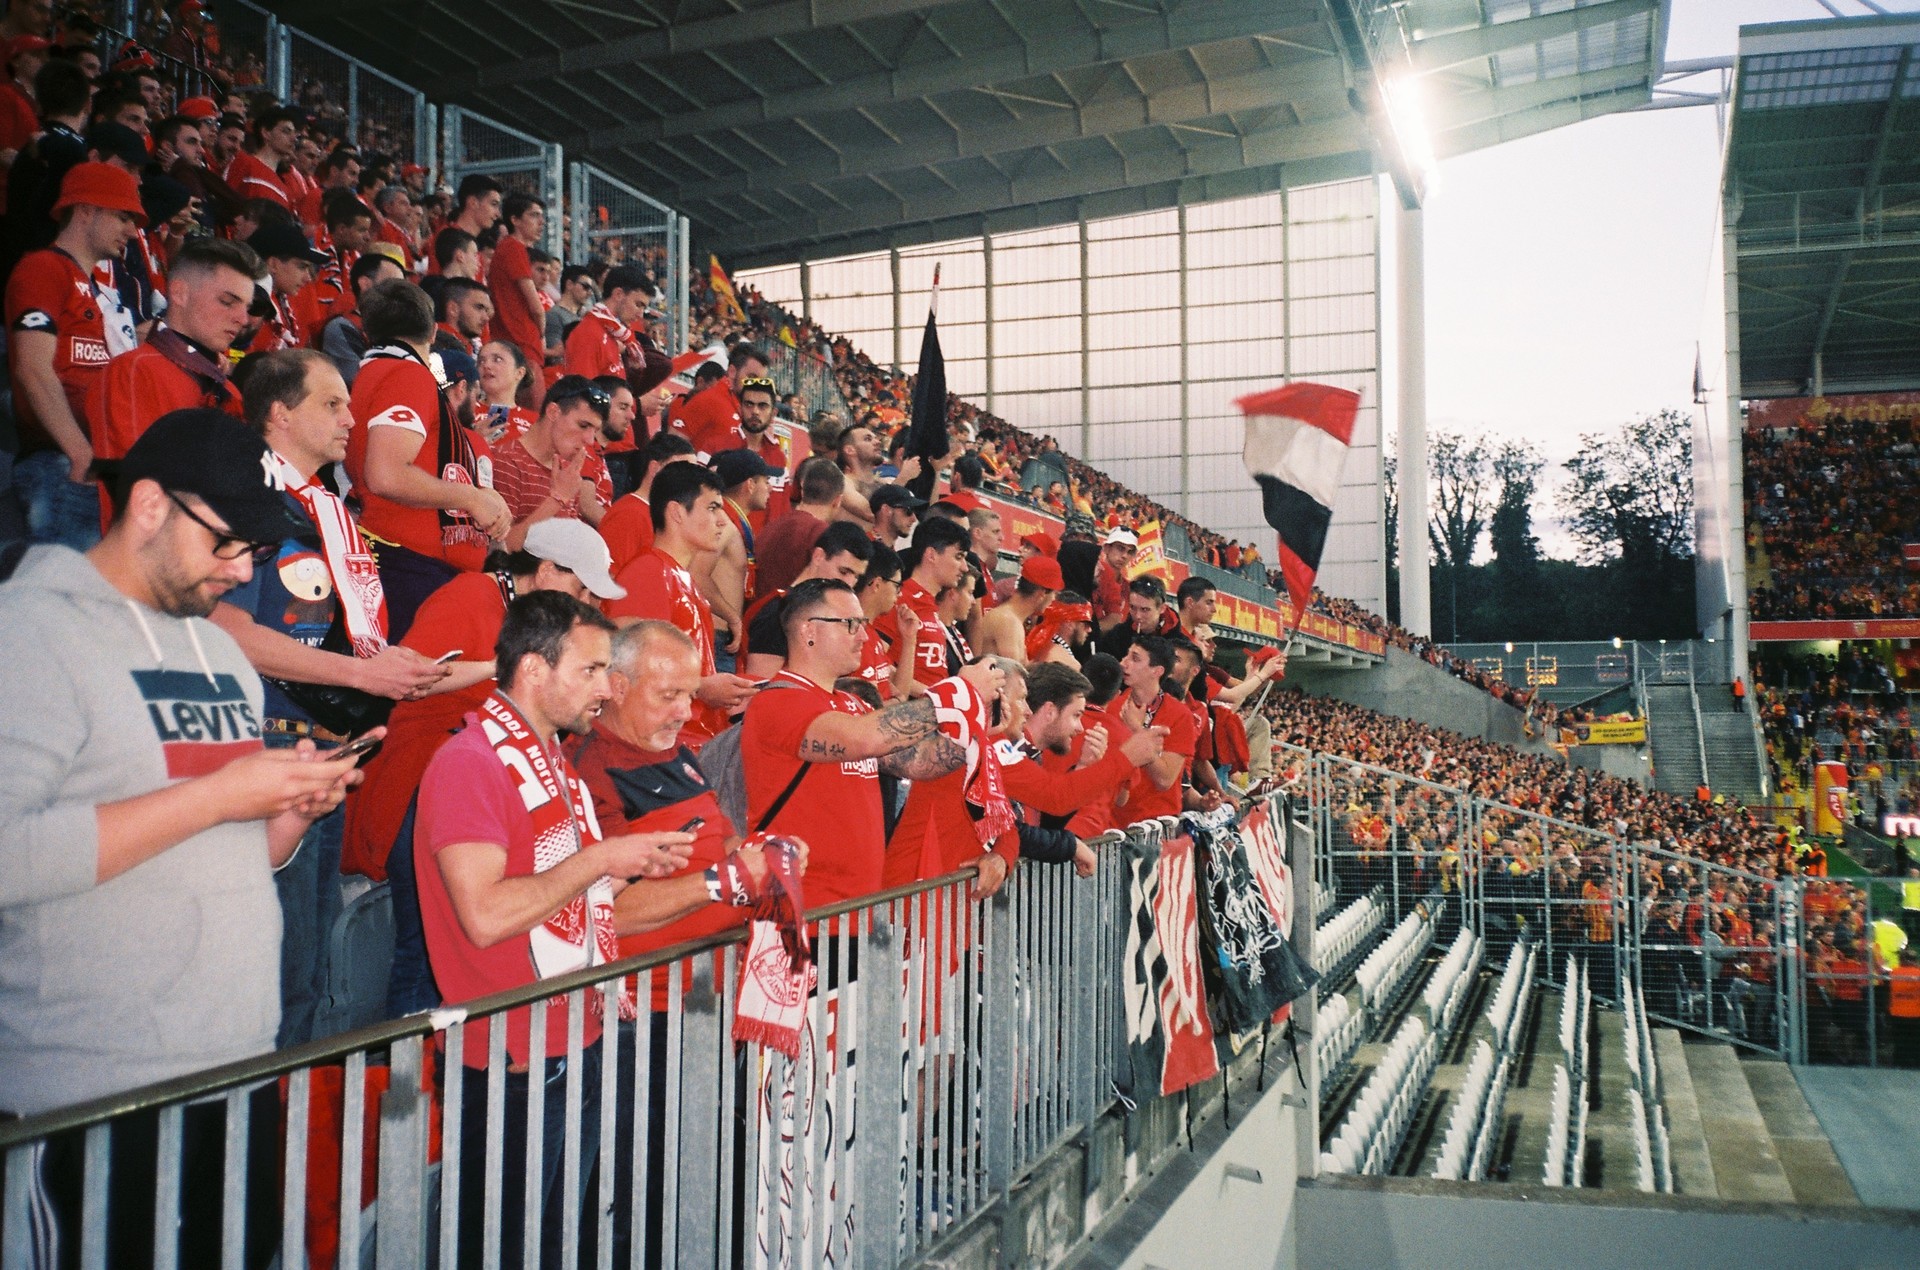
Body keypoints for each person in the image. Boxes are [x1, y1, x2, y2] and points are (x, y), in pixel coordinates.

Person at [0, 408, 364, 1267]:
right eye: (227, 543)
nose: (241, 572)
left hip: (235, 1069)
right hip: (93, 1097)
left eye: (252, 552)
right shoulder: (31, 632)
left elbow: (232, 847)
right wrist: (219, 797)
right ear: (152, 506)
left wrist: (282, 816)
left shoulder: (220, 654)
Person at [413, 591, 690, 1270]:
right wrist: (601, 858)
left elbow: (562, 898)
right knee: (503, 1246)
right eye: (591, 670)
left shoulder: (553, 763)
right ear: (534, 669)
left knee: (551, 1239)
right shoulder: (471, 762)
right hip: (511, 1054)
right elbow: (484, 916)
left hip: (574, 1030)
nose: (605, 686)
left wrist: (632, 866)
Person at [212, 349, 451, 1044]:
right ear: (280, 414)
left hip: (322, 753)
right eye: (334, 404)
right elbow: (225, 626)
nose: (353, 418)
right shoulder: (243, 497)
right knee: (269, 978)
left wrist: (384, 667)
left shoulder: (326, 508)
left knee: (307, 979)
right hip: (260, 752)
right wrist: (360, 678)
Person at [343, 519, 627, 884]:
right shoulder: (473, 593)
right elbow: (409, 677)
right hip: (425, 776)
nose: (587, 604)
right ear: (544, 572)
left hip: (489, 779)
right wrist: (500, 665)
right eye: (583, 590)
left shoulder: (541, 622)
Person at [740, 577, 999, 904]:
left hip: (857, 909)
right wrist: (959, 693)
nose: (863, 635)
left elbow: (919, 763)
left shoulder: (854, 704)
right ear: (809, 631)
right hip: (803, 911)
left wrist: (976, 715)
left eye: (862, 624)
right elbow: (865, 738)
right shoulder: (777, 703)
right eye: (851, 624)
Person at [343, 278, 511, 637]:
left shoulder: (374, 372)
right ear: (434, 331)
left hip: (405, 561)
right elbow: (385, 475)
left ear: (368, 330)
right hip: (408, 565)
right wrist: (472, 497)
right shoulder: (407, 374)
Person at [5, 161, 145, 548]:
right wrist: (81, 454)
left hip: (97, 463)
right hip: (62, 463)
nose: (132, 232)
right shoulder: (43, 268)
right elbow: (33, 369)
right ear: (85, 210)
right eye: (122, 217)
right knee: (69, 595)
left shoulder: (97, 286)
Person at [604, 460, 758, 749]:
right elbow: (624, 668)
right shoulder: (648, 572)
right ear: (676, 512)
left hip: (688, 739)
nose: (723, 520)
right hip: (664, 745)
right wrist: (703, 688)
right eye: (712, 508)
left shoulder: (679, 577)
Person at [85, 236, 259, 468]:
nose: (243, 319)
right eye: (228, 301)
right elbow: (134, 489)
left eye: (247, 307)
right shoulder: (132, 373)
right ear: (179, 293)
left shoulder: (229, 391)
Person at [740, 520, 876, 676]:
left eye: (857, 576)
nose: (849, 583)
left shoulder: (828, 611)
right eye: (844, 572)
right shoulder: (777, 613)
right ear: (818, 556)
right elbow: (760, 687)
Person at [490, 374, 613, 546]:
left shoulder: (566, 471)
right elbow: (503, 548)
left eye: (595, 430)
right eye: (583, 426)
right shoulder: (505, 461)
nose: (590, 440)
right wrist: (557, 499)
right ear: (553, 412)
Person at [872, 515, 972, 690]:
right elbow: (874, 662)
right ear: (931, 555)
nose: (964, 567)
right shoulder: (900, 598)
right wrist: (932, 696)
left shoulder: (930, 603)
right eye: (958, 557)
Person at [701, 447, 780, 665]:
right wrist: (732, 618)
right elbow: (696, 575)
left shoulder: (731, 520)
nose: (770, 488)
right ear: (750, 484)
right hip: (716, 637)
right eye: (766, 481)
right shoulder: (724, 523)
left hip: (721, 637)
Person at [1116, 635, 1197, 826]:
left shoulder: (1180, 715)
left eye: (1135, 659)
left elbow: (1165, 780)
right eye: (1126, 656)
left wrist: (1137, 730)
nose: (1123, 663)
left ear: (1157, 671)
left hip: (1157, 827)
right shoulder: (1112, 706)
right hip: (1113, 826)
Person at [597, 429, 696, 575]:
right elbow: (609, 578)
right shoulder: (628, 515)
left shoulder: (660, 513)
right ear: (655, 468)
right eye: (680, 469)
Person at [753, 455, 844, 599]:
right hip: (789, 615)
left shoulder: (773, 526)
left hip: (757, 612)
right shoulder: (821, 534)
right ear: (837, 501)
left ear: (802, 490)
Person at [486, 191, 548, 381]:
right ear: (515, 219)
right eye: (534, 215)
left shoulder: (506, 248)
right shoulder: (514, 247)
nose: (541, 222)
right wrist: (541, 333)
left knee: (505, 405)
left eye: (542, 216)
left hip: (508, 341)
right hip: (522, 341)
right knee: (535, 408)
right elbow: (536, 308)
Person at [318, 251, 404, 385]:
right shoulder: (341, 328)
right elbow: (364, 381)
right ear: (365, 284)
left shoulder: (402, 328)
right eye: (392, 284)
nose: (400, 293)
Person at [669, 341, 766, 456]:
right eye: (751, 377)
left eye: (760, 381)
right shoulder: (709, 399)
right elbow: (670, 447)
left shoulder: (748, 409)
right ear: (732, 372)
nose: (756, 385)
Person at [976, 553, 1061, 661]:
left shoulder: (1012, 619)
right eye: (1054, 594)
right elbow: (1014, 675)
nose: (1053, 599)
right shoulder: (1008, 622)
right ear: (1043, 593)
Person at [1091, 527, 1137, 632]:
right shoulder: (1091, 576)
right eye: (1120, 548)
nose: (1125, 556)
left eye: (1130, 552)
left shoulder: (1129, 589)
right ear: (1107, 548)